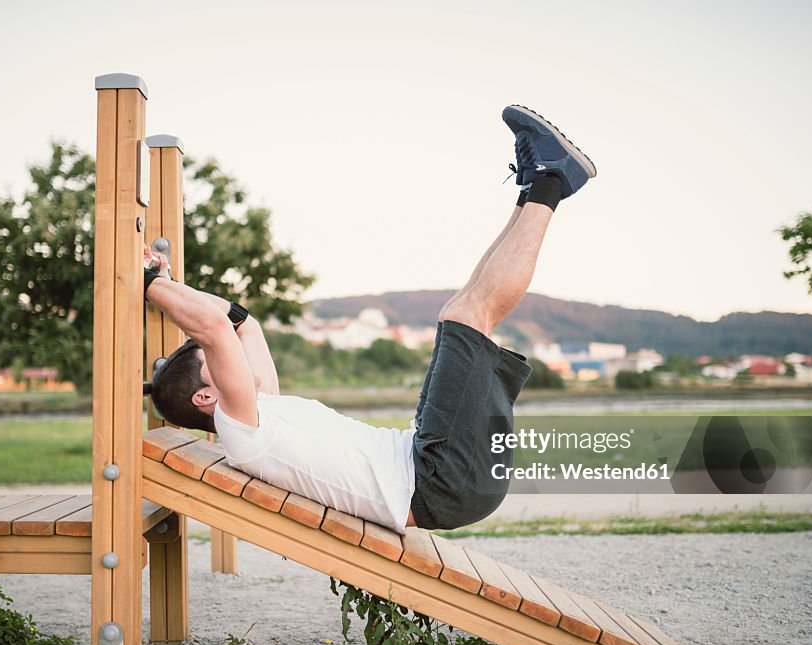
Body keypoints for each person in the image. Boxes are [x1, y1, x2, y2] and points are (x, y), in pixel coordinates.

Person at [145, 105, 596, 534]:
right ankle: (551, 182)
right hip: (438, 481)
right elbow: (215, 328)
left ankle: (534, 190)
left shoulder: (263, 411)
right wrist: (147, 283)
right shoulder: (240, 427)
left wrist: (167, 278)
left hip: (431, 462)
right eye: (213, 360)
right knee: (466, 316)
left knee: (458, 310)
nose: (232, 359)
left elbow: (242, 324)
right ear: (207, 395)